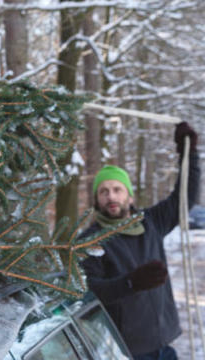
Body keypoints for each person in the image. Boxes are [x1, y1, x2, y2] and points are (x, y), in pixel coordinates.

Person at [80, 122, 200, 360]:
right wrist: (130, 283)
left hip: (164, 343)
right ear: (96, 200)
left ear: (129, 195)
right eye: (103, 192)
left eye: (117, 189)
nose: (111, 196)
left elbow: (185, 196)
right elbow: (88, 293)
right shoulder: (88, 242)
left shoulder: (150, 222)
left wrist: (188, 154)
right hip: (128, 351)